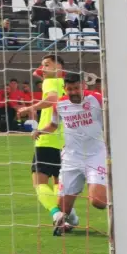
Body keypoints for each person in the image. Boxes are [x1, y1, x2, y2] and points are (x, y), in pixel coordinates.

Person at [33, 72, 107, 236]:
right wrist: (40, 131)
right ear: (65, 89)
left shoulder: (97, 99)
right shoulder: (59, 104)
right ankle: (71, 221)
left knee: (99, 202)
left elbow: (112, 117)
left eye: (76, 88)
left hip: (95, 155)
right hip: (71, 158)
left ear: (83, 86)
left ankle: (105, 189)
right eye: (69, 89)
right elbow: (53, 124)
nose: (73, 92)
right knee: (62, 209)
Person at [17, 55, 68, 230]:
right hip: (64, 141)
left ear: (59, 68)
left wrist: (30, 107)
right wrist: (43, 70)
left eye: (47, 65)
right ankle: (66, 218)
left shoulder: (50, 83)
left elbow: (52, 100)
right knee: (57, 182)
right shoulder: (66, 85)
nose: (43, 68)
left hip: (46, 139)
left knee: (38, 182)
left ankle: (56, 213)